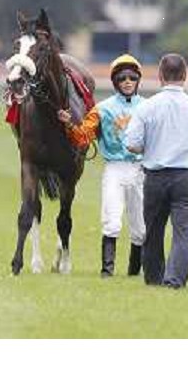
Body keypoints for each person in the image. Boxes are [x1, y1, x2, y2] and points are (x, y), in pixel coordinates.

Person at [126, 53, 188, 289]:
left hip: (155, 176)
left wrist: (150, 151)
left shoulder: (146, 107)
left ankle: (154, 278)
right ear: (185, 75)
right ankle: (175, 280)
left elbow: (132, 143)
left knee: (154, 230)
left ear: (160, 75)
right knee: (184, 232)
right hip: (186, 176)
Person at [57, 54, 146, 278]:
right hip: (115, 168)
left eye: (132, 77)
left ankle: (134, 272)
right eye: (122, 77)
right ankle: (107, 271)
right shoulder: (102, 109)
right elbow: (82, 137)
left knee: (141, 226)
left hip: (141, 170)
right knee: (112, 220)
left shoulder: (148, 107)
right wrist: (69, 124)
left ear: (138, 80)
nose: (127, 81)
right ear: (115, 81)